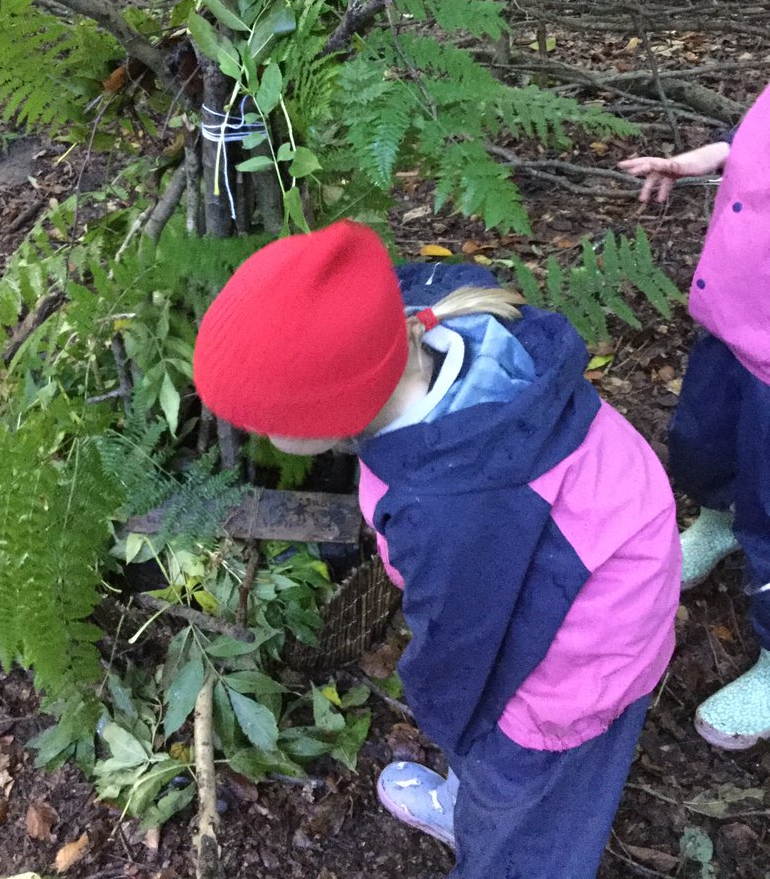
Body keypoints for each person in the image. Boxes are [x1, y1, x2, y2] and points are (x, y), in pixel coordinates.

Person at [193, 220, 680, 879]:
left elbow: (465, 647)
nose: (249, 431)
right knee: (496, 778)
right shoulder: (435, 331)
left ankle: (502, 847)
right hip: (596, 566)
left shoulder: (449, 507)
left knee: (524, 806)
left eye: (261, 422)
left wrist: (445, 715)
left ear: (330, 415)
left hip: (575, 662)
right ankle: (473, 803)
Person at [619, 87, 770, 749]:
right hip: (733, 328)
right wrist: (693, 162)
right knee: (702, 445)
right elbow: (749, 150)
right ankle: (717, 523)